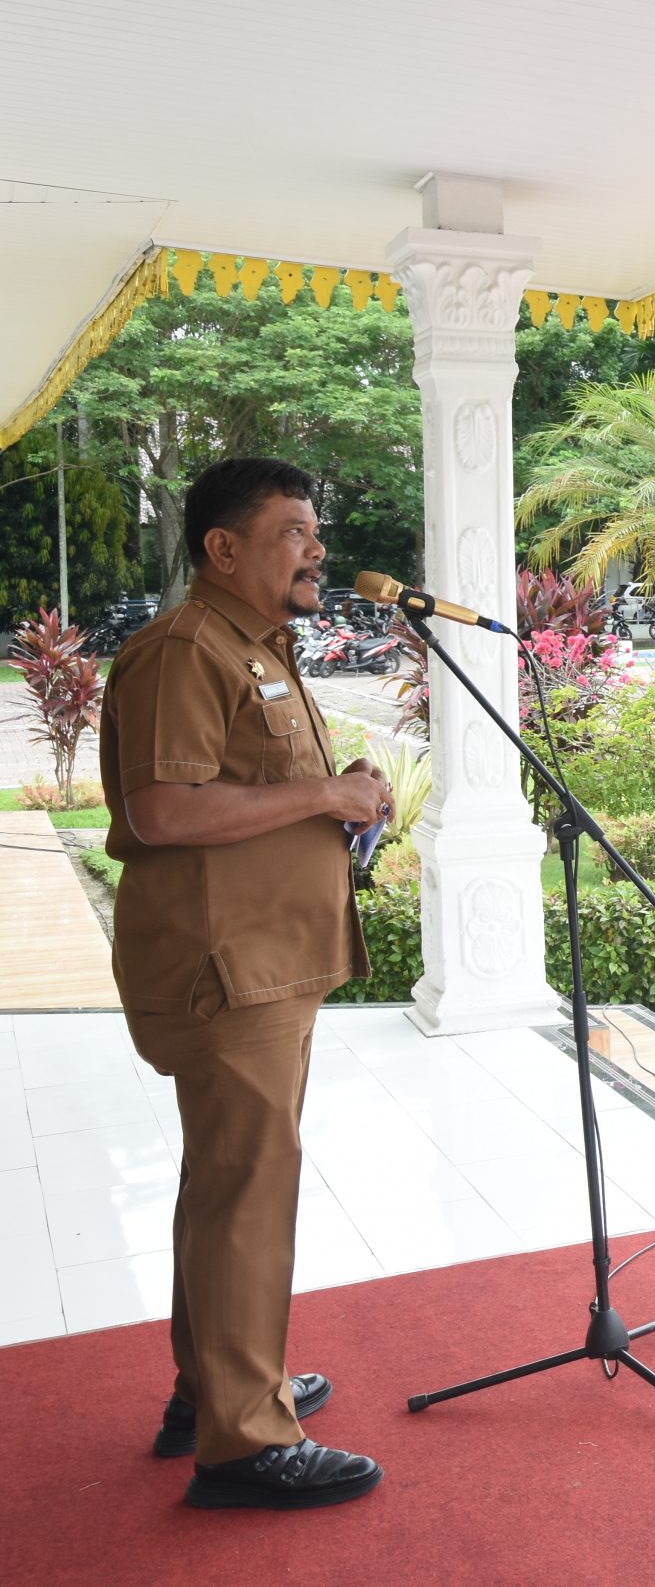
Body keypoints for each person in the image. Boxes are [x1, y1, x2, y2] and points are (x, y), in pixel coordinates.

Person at [99, 457, 390, 1511]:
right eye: (294, 531)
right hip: (228, 970)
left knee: (231, 1185)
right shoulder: (186, 649)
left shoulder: (253, 646)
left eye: (315, 531)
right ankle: (242, 1442)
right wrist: (324, 790)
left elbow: (259, 794)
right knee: (246, 1195)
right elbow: (164, 813)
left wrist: (346, 799)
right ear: (225, 549)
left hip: (267, 961)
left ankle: (218, 1388)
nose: (316, 550)